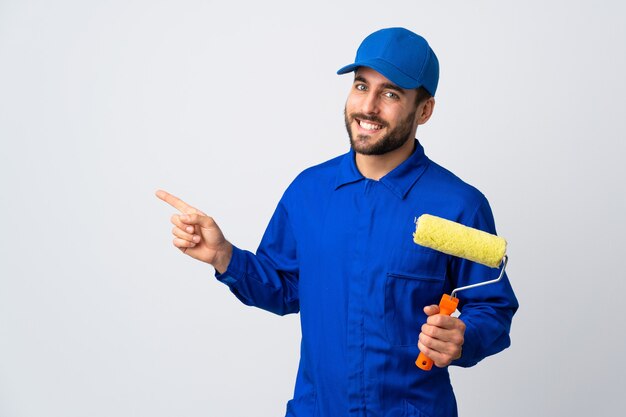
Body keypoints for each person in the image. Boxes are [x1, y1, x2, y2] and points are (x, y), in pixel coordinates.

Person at [156, 27, 518, 417]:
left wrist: (465, 338)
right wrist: (224, 256)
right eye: (362, 86)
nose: (369, 106)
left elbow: (492, 308)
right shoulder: (308, 192)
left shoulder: (458, 206)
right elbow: (285, 289)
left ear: (424, 110)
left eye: (391, 94)